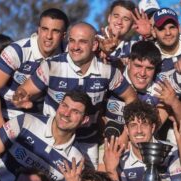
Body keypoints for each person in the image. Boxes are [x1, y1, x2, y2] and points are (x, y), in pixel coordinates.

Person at [13, 22, 137, 169]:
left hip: (87, 143)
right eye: (72, 40)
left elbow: (131, 98)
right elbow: (23, 91)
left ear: (94, 45)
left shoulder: (108, 72)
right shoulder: (51, 66)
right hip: (52, 140)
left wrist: (124, 131)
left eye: (83, 42)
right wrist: (20, 98)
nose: (75, 46)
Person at [0, 8, 69, 136]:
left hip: (40, 121)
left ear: (63, 35)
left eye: (55, 31)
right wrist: (2, 129)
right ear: (38, 30)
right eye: (45, 29)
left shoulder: (68, 52)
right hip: (6, 116)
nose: (49, 36)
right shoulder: (17, 51)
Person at [104, 100, 181, 181]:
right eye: (133, 125)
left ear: (152, 128)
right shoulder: (122, 158)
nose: (139, 131)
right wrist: (111, 170)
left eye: (144, 124)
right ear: (126, 129)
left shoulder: (170, 151)